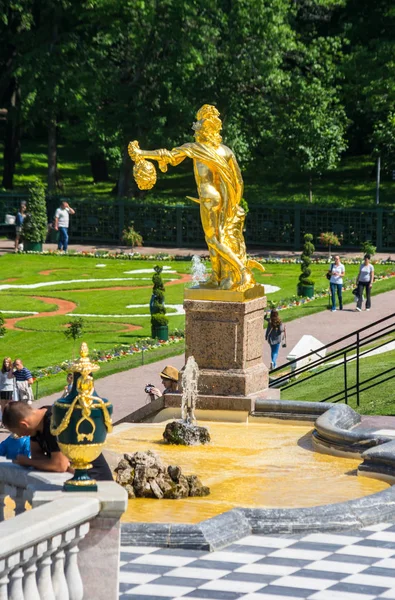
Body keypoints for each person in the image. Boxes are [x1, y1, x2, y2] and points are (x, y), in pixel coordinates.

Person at [128, 104, 265, 292]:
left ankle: (241, 270)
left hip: (208, 198)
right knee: (219, 237)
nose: (195, 133)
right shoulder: (226, 151)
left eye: (198, 129)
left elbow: (167, 155)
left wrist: (142, 153)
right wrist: (233, 204)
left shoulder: (195, 148)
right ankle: (219, 277)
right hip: (222, 200)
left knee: (213, 240)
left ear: (204, 131)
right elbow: (239, 181)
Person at [2, 402, 113, 479]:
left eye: (18, 432)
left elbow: (60, 465)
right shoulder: (36, 425)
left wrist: (27, 462)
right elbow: (37, 454)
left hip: (96, 480)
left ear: (24, 424)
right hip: (77, 480)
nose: (20, 435)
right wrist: (48, 463)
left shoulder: (54, 422)